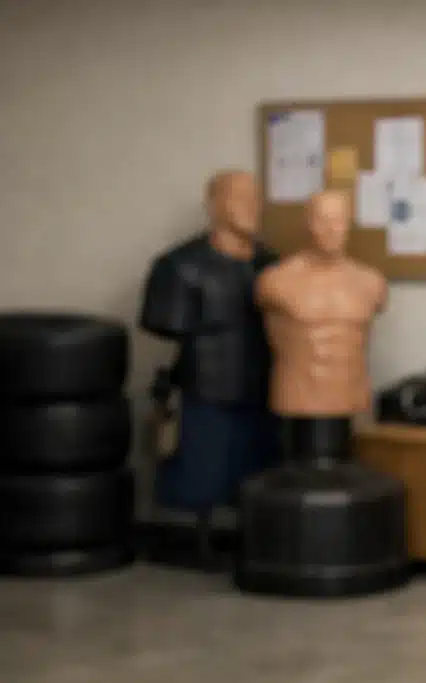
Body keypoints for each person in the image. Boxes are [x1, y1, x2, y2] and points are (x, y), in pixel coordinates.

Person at [139, 169, 281, 566]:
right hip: (204, 385)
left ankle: (251, 536)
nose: (253, 207)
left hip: (263, 384)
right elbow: (164, 321)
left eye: (256, 198)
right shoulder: (180, 266)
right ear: (214, 205)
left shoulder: (272, 266)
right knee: (202, 466)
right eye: (240, 198)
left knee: (257, 464)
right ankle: (201, 538)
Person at [254, 188, 387, 461]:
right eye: (322, 220)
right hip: (298, 396)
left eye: (338, 220)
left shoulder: (371, 282)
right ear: (308, 224)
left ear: (349, 224)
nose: (330, 229)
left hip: (350, 393)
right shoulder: (276, 281)